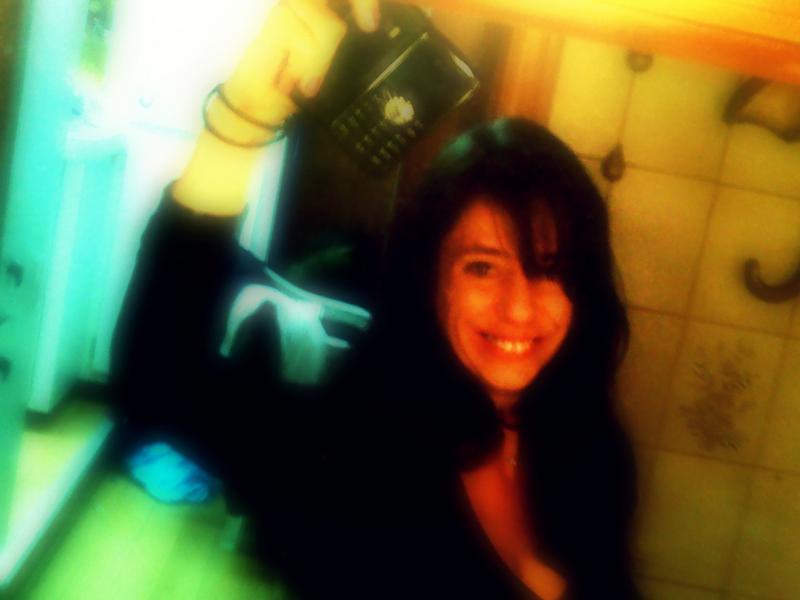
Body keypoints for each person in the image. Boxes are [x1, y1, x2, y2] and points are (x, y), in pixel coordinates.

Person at [110, 1, 642, 598]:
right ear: (431, 278)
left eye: (550, 269)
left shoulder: (593, 452)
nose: (518, 308)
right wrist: (248, 111)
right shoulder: (356, 443)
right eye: (482, 267)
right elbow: (161, 382)